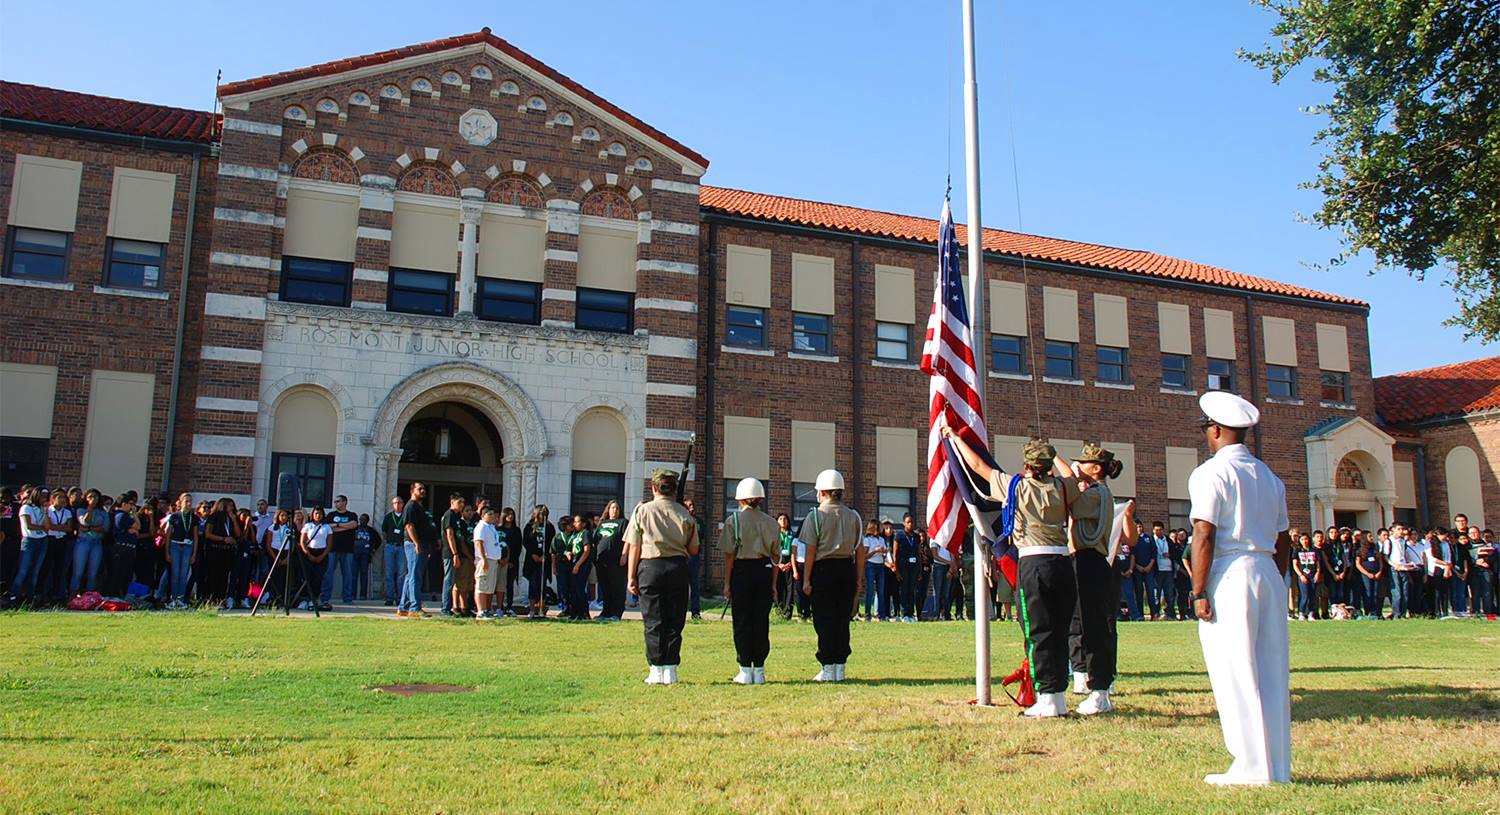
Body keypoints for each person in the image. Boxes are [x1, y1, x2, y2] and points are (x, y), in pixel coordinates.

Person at [1188, 391, 1292, 786]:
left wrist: (1199, 590)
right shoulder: (1269, 476)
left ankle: (1250, 766)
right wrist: (1276, 578)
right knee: (1270, 670)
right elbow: (1283, 539)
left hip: (1231, 570)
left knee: (1235, 669)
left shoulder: (1211, 473)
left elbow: (1204, 533)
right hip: (1266, 568)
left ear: (1214, 430)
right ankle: (1276, 766)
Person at [946, 427, 1081, 717]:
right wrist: (1053, 454)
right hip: (1062, 563)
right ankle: (1057, 695)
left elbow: (978, 466)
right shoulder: (1063, 488)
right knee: (1059, 631)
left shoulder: (1015, 486)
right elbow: (1071, 476)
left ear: (1027, 466)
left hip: (1033, 564)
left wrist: (956, 439)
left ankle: (1046, 697)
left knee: (1036, 632)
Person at [1064, 443, 1135, 716]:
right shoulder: (1095, 491)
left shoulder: (1096, 494)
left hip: (1090, 563)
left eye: (1082, 463)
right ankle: (1095, 684)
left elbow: (1073, 503)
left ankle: (1100, 690)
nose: (1078, 467)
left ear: (1095, 468)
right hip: (1086, 563)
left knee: (1094, 629)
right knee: (1084, 625)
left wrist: (1069, 475)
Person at [627, 469, 699, 685]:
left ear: (654, 487)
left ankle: (655, 669)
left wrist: (631, 577)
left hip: (650, 567)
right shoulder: (685, 513)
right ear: (675, 489)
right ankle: (671, 669)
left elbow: (634, 547)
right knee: (675, 619)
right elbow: (694, 549)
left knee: (653, 619)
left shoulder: (642, 511)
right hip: (677, 566)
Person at [797, 468, 865, 683]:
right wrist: (859, 580)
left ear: (822, 492)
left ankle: (827, 667)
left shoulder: (815, 516)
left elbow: (810, 550)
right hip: (846, 568)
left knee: (824, 619)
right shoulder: (853, 515)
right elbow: (860, 550)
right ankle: (840, 667)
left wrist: (806, 579)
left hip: (823, 570)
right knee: (842, 618)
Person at [720, 478, 781, 684]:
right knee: (761, 620)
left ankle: (745, 668)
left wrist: (727, 583)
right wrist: (773, 585)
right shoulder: (772, 522)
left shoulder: (733, 521)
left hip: (742, 571)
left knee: (742, 620)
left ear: (741, 499)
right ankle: (760, 670)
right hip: (764, 570)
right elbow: (775, 558)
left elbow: (729, 555)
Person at [399, 483, 436, 618]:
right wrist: (416, 543)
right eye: (419, 489)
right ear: (412, 491)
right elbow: (409, 526)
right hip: (413, 544)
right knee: (415, 576)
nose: (423, 491)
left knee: (411, 575)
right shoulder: (410, 506)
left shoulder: (420, 507)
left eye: (424, 489)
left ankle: (403, 607)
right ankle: (415, 607)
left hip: (423, 543)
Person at [160, 493, 198, 609]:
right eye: (186, 501)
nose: (188, 504)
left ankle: (180, 599)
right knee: (175, 574)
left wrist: (194, 554)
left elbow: (196, 537)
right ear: (180, 503)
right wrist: (167, 552)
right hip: (175, 546)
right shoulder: (175, 516)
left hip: (187, 546)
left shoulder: (194, 517)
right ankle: (172, 598)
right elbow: (168, 535)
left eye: (190, 501)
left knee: (183, 574)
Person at [593, 501, 627, 620]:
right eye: (612, 508)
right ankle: (606, 612)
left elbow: (628, 540)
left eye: (617, 508)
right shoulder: (602, 523)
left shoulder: (623, 522)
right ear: (608, 510)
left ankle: (616, 612)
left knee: (616, 586)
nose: (615, 510)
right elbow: (595, 539)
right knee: (605, 586)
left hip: (616, 560)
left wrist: (624, 555)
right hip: (602, 560)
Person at [440, 493, 473, 617]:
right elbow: (450, 535)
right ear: (452, 502)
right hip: (449, 553)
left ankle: (455, 608)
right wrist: (455, 553)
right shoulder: (449, 515)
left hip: (456, 553)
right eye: (459, 502)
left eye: (463, 502)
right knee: (448, 580)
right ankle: (445, 608)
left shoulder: (456, 516)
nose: (462, 505)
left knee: (454, 580)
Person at [70, 489, 107, 597]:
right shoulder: (81, 510)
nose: (93, 499)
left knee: (93, 573)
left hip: (97, 542)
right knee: (78, 572)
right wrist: (90, 509)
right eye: (90, 497)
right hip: (83, 542)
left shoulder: (102, 512)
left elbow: (105, 527)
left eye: (95, 497)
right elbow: (84, 522)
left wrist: (89, 528)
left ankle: (89, 598)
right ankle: (72, 596)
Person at [324, 495, 359, 608]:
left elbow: (353, 525)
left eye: (338, 501)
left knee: (348, 574)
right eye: (335, 502)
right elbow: (327, 527)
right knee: (328, 573)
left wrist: (337, 526)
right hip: (332, 548)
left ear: (344, 502)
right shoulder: (331, 515)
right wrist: (344, 526)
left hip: (347, 549)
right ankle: (325, 597)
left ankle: (347, 598)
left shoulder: (352, 515)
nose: (336, 503)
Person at [472, 507, 504, 618]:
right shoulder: (481, 527)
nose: (492, 516)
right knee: (482, 584)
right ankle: (480, 611)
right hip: (484, 560)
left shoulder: (491, 527)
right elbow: (478, 543)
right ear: (483, 515)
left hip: (493, 560)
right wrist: (483, 559)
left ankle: (486, 609)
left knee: (489, 587)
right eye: (489, 514)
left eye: (493, 514)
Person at [298, 506, 333, 610]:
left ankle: (314, 599)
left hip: (321, 553)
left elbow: (329, 544)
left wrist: (322, 556)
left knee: (318, 577)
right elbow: (302, 542)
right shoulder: (308, 526)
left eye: (320, 514)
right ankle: (304, 599)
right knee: (307, 576)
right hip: (309, 552)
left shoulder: (326, 527)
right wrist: (308, 554)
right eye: (316, 514)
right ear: (312, 515)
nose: (318, 516)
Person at [895, 515, 925, 622]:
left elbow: (918, 553)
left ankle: (911, 613)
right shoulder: (899, 536)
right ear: (904, 523)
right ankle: (904, 613)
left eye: (912, 522)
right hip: (903, 565)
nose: (910, 524)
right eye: (908, 522)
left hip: (914, 566)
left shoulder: (916, 536)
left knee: (912, 589)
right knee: (904, 589)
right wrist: (897, 570)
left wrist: (920, 571)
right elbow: (896, 554)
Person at [562, 514, 592, 620]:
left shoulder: (585, 533)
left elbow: (586, 551)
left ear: (583, 524)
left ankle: (584, 612)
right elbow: (568, 548)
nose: (574, 524)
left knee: (579, 588)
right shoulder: (575, 534)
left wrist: (578, 565)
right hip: (573, 562)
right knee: (573, 589)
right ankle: (575, 612)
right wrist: (567, 553)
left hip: (582, 564)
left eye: (577, 522)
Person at [380, 497, 407, 606]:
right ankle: (390, 597)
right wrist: (388, 541)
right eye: (395, 503)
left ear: (402, 504)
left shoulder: (406, 516)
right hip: (390, 546)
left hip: (402, 546)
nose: (397, 505)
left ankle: (401, 597)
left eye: (399, 502)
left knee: (401, 573)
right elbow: (384, 531)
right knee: (389, 572)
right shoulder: (388, 517)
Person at [860, 520, 888, 621]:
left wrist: (884, 552)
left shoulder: (881, 539)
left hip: (880, 565)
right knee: (870, 590)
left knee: (881, 591)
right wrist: (875, 551)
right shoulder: (867, 539)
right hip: (871, 565)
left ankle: (881, 614)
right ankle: (868, 614)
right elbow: (864, 556)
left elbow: (885, 552)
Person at [929, 527, 957, 621]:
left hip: (948, 568)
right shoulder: (934, 539)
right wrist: (948, 562)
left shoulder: (949, 538)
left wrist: (951, 568)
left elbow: (953, 554)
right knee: (938, 592)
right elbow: (935, 555)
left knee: (946, 593)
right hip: (939, 567)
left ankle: (947, 614)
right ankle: (936, 614)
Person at [500, 507, 523, 616]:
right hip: (499, 561)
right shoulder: (498, 529)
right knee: (500, 584)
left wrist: (511, 561)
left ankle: (509, 606)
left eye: (512, 514)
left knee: (510, 584)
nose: (510, 516)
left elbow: (518, 547)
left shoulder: (516, 530)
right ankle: (499, 606)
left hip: (512, 561)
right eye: (508, 514)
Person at [1354, 534, 1384, 619]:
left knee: (1375, 593)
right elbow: (1358, 564)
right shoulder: (1360, 550)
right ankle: (1368, 611)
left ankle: (1375, 611)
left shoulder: (1375, 549)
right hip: (1366, 574)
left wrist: (1379, 572)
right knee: (1368, 592)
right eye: (1369, 536)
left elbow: (1380, 561)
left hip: (1376, 573)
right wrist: (1367, 573)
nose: (1371, 538)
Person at [1292, 533, 1320, 621]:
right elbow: (1295, 565)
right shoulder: (1297, 550)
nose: (1305, 541)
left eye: (1306, 539)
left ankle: (1311, 613)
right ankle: (1301, 613)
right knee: (1305, 595)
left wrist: (1317, 573)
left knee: (1313, 595)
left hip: (1313, 574)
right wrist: (1301, 575)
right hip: (1303, 575)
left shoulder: (1314, 550)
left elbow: (1318, 563)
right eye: (1302, 539)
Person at [353, 513, 379, 602]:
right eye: (360, 519)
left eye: (363, 519)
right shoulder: (355, 529)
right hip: (355, 554)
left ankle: (363, 594)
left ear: (367, 521)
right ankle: (353, 594)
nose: (361, 521)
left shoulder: (371, 530)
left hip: (365, 554)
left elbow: (378, 540)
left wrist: (373, 549)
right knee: (353, 574)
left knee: (364, 574)